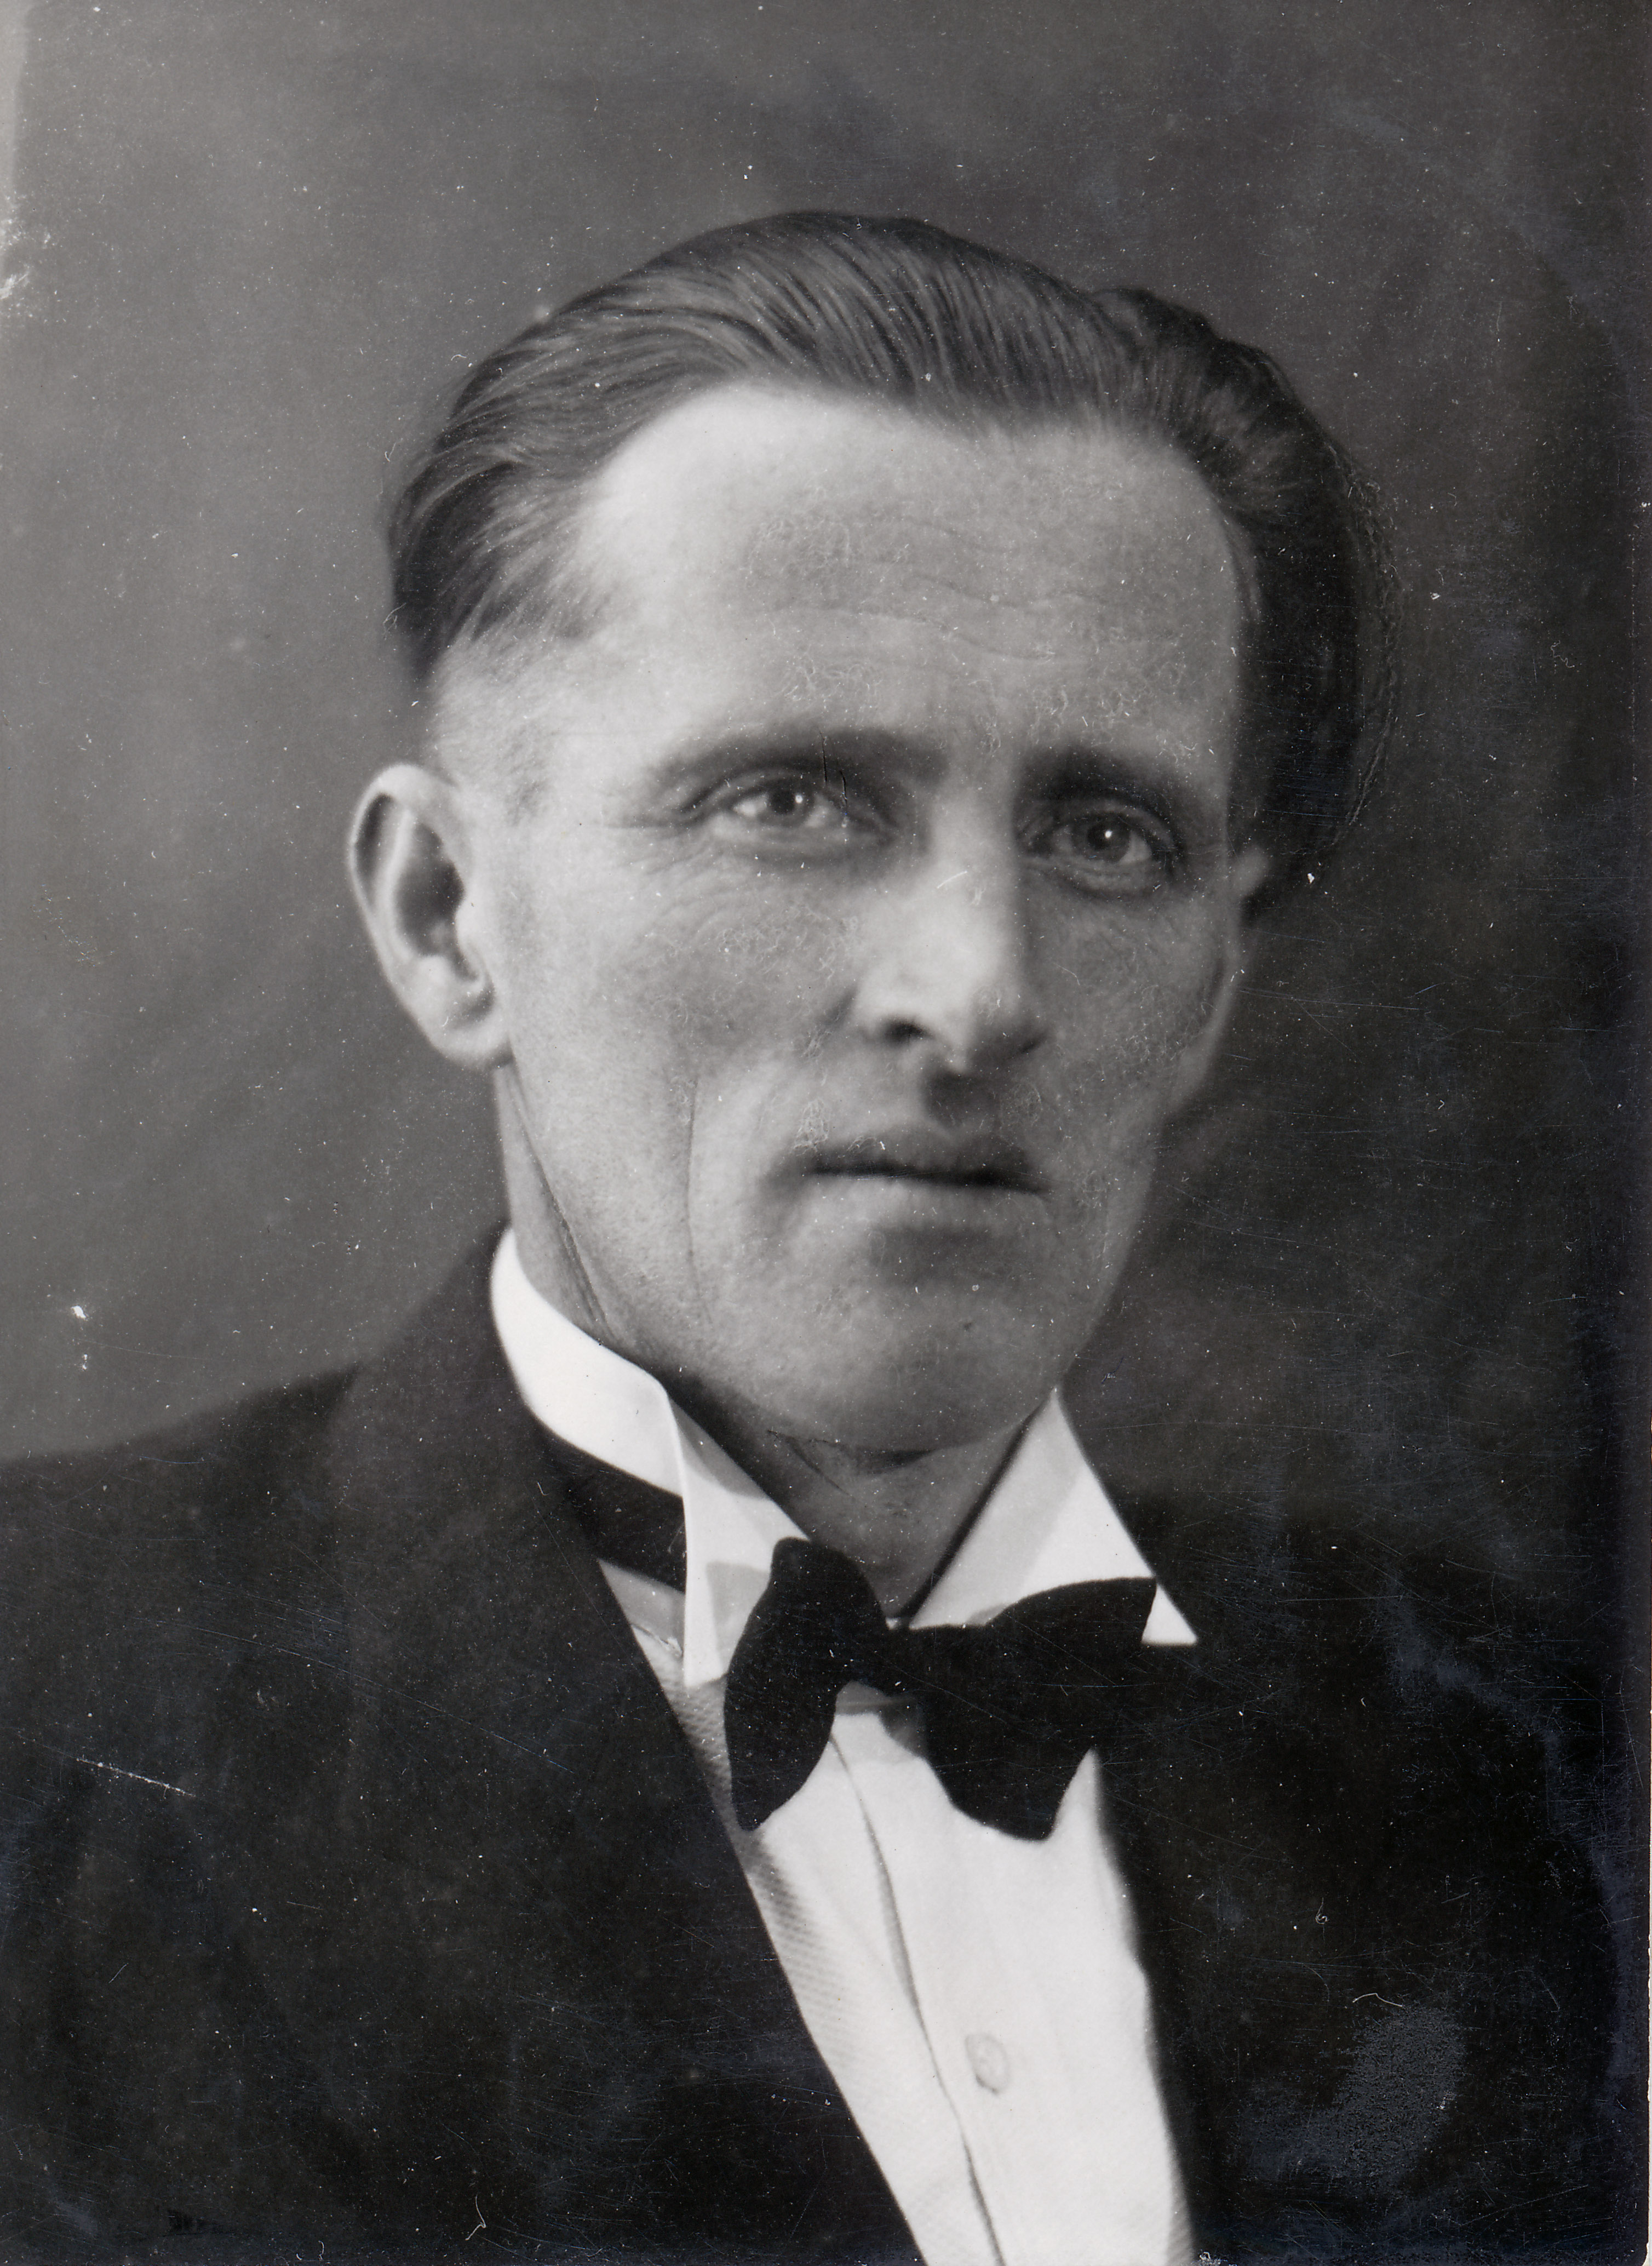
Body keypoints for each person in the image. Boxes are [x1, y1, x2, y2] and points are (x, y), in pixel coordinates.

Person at [0, 214, 1620, 2264]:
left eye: (1104, 837)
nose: (980, 992)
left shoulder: (1505, 1764)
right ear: (446, 918)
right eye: (792, 802)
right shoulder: (49, 1707)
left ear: (1214, 985)